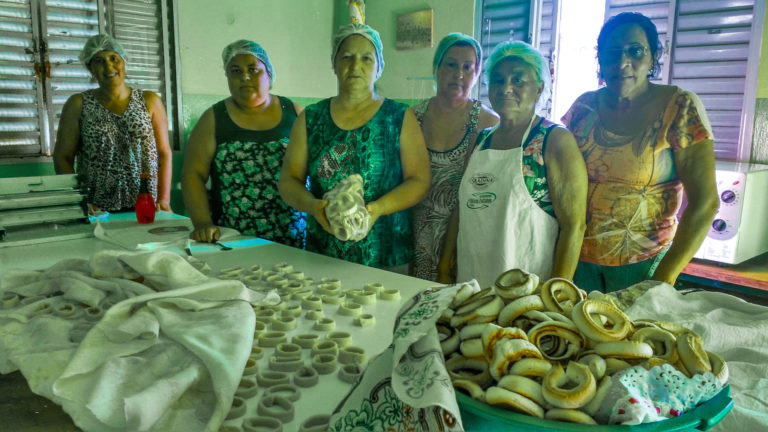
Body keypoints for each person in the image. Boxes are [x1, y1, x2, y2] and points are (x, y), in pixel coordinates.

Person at [562, 12, 719, 292]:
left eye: (635, 50)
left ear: (653, 55)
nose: (623, 62)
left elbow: (705, 203)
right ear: (600, 59)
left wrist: (662, 280)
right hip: (576, 260)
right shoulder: (583, 107)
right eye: (612, 52)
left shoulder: (678, 106)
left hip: (643, 266)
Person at [279, 23, 430, 271]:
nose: (355, 65)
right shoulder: (311, 118)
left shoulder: (399, 117)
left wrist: (377, 209)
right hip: (324, 253)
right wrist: (313, 207)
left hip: (387, 253)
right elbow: (288, 181)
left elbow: (420, 181)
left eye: (366, 58)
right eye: (346, 56)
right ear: (334, 64)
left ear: (379, 66)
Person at [438, 41, 587, 289]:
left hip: (527, 290)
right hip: (471, 278)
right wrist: (444, 266)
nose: (506, 88)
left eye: (518, 81)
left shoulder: (553, 140)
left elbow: (574, 226)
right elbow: (461, 207)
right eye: (498, 80)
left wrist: (555, 294)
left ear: (539, 88)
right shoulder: (480, 140)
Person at [181, 40, 305, 247]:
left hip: (293, 236)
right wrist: (202, 223)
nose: (245, 77)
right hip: (233, 238)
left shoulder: (295, 114)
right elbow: (192, 174)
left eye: (253, 70)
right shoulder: (213, 119)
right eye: (235, 71)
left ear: (269, 74)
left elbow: (320, 167)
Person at [410, 33, 498, 281]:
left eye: (467, 67)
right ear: (437, 67)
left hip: (462, 234)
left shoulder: (488, 122)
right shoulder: (412, 118)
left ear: (476, 72)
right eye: (451, 64)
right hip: (414, 233)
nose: (459, 74)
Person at [53, 34, 172, 214]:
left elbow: (163, 154)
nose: (108, 66)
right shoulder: (78, 104)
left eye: (114, 58)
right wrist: (78, 200)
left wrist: (163, 199)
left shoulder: (149, 101)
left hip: (146, 204)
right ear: (90, 67)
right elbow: (63, 157)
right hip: (97, 209)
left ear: (124, 61)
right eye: (99, 61)